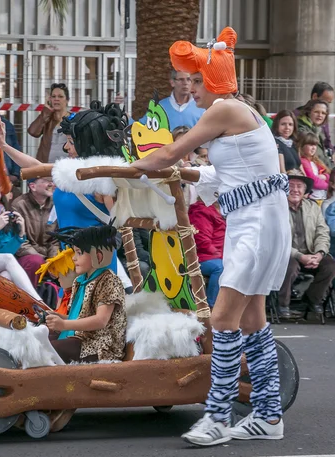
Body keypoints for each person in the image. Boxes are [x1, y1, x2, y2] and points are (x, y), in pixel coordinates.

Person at [129, 27, 289, 445]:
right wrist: (180, 170)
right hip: (253, 220)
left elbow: (168, 154)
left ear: (214, 80)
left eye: (196, 79)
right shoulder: (236, 113)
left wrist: (132, 166)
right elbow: (223, 172)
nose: (190, 87)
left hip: (256, 224)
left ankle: (217, 417)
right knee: (253, 321)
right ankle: (269, 415)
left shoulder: (223, 109)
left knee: (221, 320)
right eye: (188, 79)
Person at [0, 101, 134, 292]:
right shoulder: (67, 172)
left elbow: (122, 224)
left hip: (96, 258)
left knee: (93, 316)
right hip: (68, 258)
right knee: (70, 314)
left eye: (71, 142)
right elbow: (34, 165)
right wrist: (3, 145)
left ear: (87, 144)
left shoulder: (104, 182)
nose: (66, 147)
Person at [46, 224, 127, 363]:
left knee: (50, 349)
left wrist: (64, 325)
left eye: (79, 253)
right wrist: (58, 317)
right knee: (38, 340)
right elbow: (79, 317)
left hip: (100, 346)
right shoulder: (80, 281)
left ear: (98, 256)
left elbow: (101, 320)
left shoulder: (109, 281)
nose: (74, 258)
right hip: (79, 337)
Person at [278, 171, 335, 319]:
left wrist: (319, 253)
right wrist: (299, 256)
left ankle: (311, 300)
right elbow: (277, 240)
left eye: (299, 186)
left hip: (311, 252)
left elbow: (322, 232)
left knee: (330, 265)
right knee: (290, 267)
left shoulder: (313, 207)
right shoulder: (276, 208)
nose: (295, 190)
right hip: (286, 254)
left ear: (305, 191)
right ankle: (283, 304)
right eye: (290, 186)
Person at [11, 177, 59, 287]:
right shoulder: (19, 205)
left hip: (49, 255)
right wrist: (43, 260)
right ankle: (27, 300)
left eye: (52, 181)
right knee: (35, 262)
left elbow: (55, 239)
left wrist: (52, 260)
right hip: (27, 256)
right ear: (32, 186)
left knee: (65, 262)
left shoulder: (55, 204)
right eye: (46, 181)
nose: (51, 184)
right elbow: (19, 240)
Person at [188, 200, 225, 308]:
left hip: (218, 255)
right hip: (202, 257)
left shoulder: (222, 210)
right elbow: (201, 240)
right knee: (220, 268)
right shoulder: (202, 211)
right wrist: (217, 253)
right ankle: (211, 307)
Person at [139, 70, 205, 129]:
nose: (185, 83)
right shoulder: (159, 107)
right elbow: (141, 127)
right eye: (181, 79)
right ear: (172, 82)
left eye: (188, 79)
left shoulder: (201, 107)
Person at [28, 83, 71, 163]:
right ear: (50, 99)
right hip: (45, 168)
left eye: (60, 96)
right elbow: (33, 132)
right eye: (53, 96)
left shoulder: (74, 119)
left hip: (67, 168)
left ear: (67, 100)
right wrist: (46, 111)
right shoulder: (47, 118)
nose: (56, 99)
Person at [294, 81, 334, 153]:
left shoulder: (322, 118)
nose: (320, 115)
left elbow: (327, 141)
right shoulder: (297, 116)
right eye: (325, 101)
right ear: (315, 96)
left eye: (323, 113)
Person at [297, 99, 331, 168]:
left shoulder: (317, 128)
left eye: (323, 113)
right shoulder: (301, 128)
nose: (320, 115)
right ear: (309, 112)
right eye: (316, 112)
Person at [299, 132, 329, 201]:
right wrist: (329, 186)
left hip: (322, 197)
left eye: (315, 145)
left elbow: (329, 174)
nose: (313, 148)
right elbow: (313, 181)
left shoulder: (316, 161)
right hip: (313, 198)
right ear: (302, 145)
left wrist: (325, 176)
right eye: (310, 144)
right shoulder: (303, 161)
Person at [271, 110, 303, 174]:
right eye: (283, 124)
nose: (287, 127)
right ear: (276, 125)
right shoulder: (275, 143)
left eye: (290, 124)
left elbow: (301, 168)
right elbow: (282, 172)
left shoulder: (294, 144)